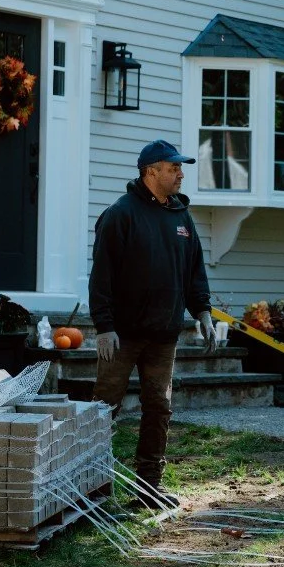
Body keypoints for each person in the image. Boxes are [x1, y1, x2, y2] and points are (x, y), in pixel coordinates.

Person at [89, 139, 217, 508]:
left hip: (164, 335)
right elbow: (102, 276)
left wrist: (203, 312)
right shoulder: (121, 214)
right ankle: (93, 487)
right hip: (123, 335)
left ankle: (148, 489)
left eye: (181, 167)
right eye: (173, 167)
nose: (180, 173)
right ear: (151, 172)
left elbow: (195, 271)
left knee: (159, 408)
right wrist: (104, 325)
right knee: (103, 409)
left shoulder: (181, 216)